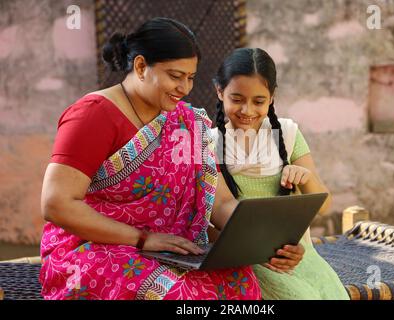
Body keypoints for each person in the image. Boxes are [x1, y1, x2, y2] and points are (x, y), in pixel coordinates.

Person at [39, 18, 302, 300]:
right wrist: (142, 239)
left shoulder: (185, 121)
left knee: (239, 282)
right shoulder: (93, 115)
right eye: (175, 76)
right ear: (140, 66)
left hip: (169, 249)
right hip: (94, 249)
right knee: (174, 293)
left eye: (190, 77)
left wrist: (266, 243)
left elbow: (221, 202)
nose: (185, 88)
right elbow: (57, 203)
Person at [210, 48, 350, 300]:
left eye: (259, 101)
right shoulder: (208, 143)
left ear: (272, 97)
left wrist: (304, 177)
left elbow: (325, 206)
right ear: (220, 92)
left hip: (297, 254)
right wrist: (256, 249)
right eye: (237, 99)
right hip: (246, 259)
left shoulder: (288, 134)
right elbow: (209, 219)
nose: (247, 110)